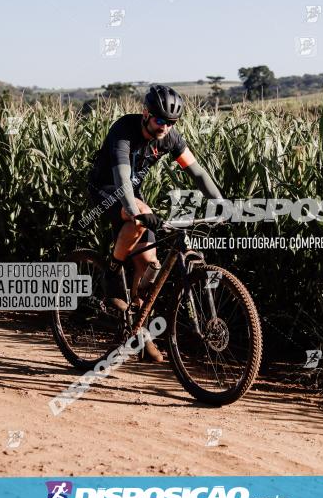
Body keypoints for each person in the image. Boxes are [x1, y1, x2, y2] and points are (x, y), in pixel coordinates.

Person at [88, 84, 223, 362]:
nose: (165, 126)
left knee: (150, 266)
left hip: (131, 193)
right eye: (160, 119)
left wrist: (221, 202)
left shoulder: (169, 137)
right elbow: (123, 181)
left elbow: (197, 173)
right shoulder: (123, 132)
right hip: (106, 189)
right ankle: (112, 271)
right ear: (145, 113)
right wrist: (136, 211)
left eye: (172, 122)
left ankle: (137, 332)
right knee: (139, 216)